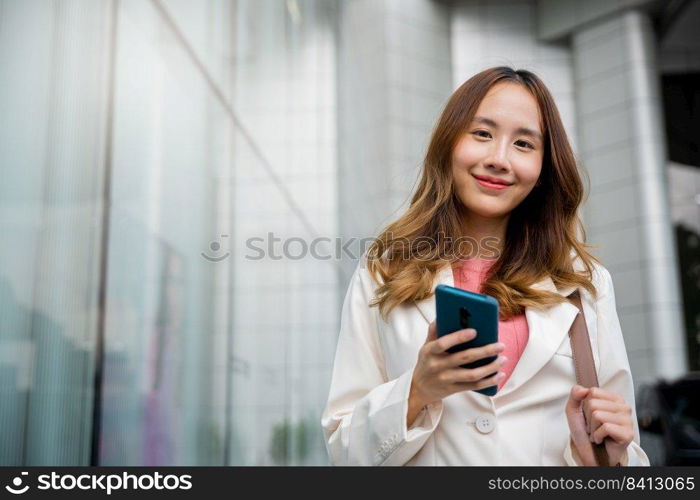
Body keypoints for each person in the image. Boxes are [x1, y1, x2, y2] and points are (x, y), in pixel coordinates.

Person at [321, 67, 650, 466]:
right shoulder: (384, 270)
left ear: (545, 168)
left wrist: (610, 455)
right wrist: (416, 392)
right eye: (482, 134)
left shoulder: (585, 283)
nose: (499, 159)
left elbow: (622, 451)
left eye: (524, 144)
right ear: (449, 143)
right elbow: (342, 450)